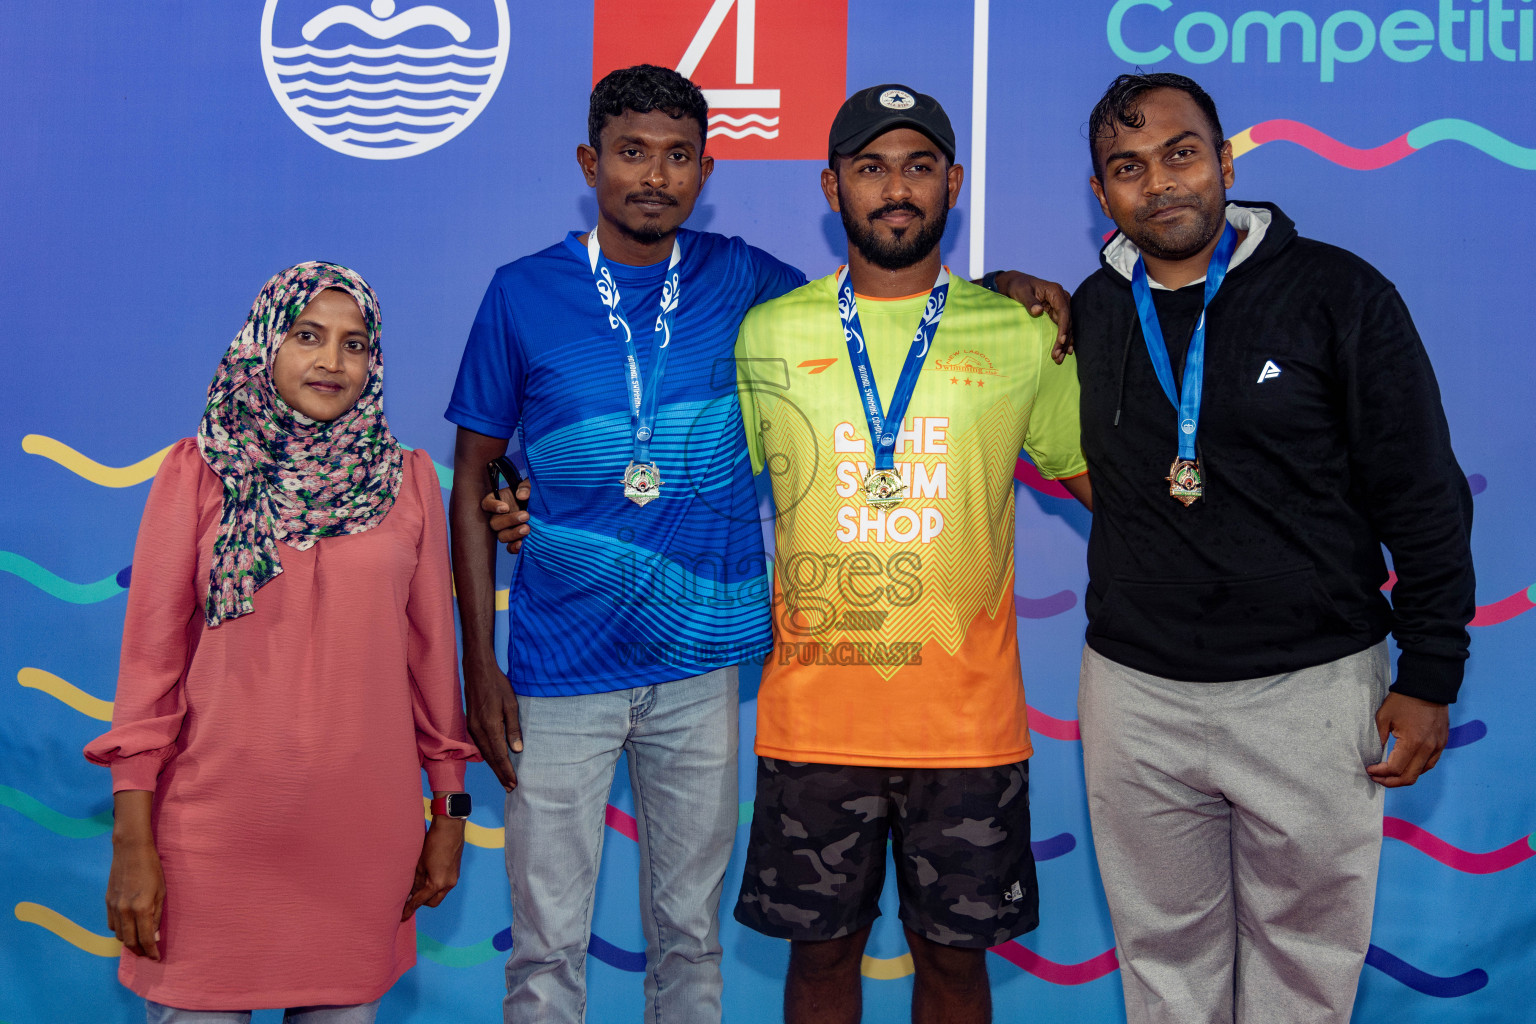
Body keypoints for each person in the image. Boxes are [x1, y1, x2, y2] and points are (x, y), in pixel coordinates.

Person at [451, 66, 1074, 1024]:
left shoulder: (763, 287)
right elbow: (518, 459)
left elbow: (902, 304)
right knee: (565, 950)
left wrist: (1003, 289)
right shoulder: (589, 300)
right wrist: (505, 571)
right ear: (590, 165)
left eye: (677, 156)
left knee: (722, 947)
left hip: (805, 691)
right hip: (646, 683)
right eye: (630, 154)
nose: (654, 176)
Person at [1070, 73, 1476, 1024]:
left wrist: (1432, 672)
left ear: (1225, 159)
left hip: (1314, 690)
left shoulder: (1339, 293)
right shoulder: (1085, 315)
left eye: (1180, 153)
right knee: (1165, 966)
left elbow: (1421, 489)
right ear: (1102, 194)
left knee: (1305, 972)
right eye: (1127, 168)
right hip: (1138, 697)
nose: (1159, 184)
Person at [730, 84, 1092, 1024]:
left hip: (966, 729)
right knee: (817, 966)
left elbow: (1115, 491)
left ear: (954, 183)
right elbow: (701, 487)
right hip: (815, 722)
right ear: (831, 185)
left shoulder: (1019, 334)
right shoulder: (769, 333)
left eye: (919, 166)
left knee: (955, 972)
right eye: (872, 167)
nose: (896, 188)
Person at [84, 262, 478, 1024]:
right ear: (264, 344)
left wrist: (450, 816)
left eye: (355, 343)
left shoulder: (408, 481)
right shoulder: (200, 473)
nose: (332, 361)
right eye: (307, 336)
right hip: (211, 840)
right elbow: (149, 675)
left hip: (361, 844)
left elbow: (435, 674)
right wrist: (133, 845)